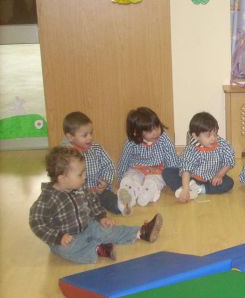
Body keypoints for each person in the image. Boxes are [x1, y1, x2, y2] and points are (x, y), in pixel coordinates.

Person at [29, 146, 163, 264]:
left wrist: (101, 217)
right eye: (80, 174)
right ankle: (98, 249)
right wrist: (58, 237)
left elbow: (92, 202)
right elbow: (37, 222)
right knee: (68, 249)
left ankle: (141, 232)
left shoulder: (80, 188)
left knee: (107, 230)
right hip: (66, 237)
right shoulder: (47, 199)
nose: (85, 176)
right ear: (62, 178)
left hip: (88, 226)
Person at [116, 107, 179, 215]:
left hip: (157, 170)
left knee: (153, 182)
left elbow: (171, 159)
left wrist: (171, 177)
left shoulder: (164, 139)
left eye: (156, 127)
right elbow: (124, 160)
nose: (155, 132)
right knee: (130, 178)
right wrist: (120, 177)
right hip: (137, 168)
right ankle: (127, 196)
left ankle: (146, 193)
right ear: (137, 133)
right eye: (149, 130)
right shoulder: (131, 143)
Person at [163, 112, 235, 202]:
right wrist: (185, 189)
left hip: (212, 178)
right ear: (195, 136)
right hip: (191, 177)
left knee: (229, 183)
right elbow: (186, 169)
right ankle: (187, 188)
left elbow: (229, 160)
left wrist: (220, 175)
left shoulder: (222, 144)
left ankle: (200, 189)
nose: (213, 138)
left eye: (215, 134)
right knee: (167, 172)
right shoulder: (192, 149)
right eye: (208, 135)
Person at [61, 111, 119, 214]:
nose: (90, 137)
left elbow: (109, 165)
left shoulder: (96, 148)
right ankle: (90, 212)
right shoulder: (65, 155)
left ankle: (115, 205)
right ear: (70, 137)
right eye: (85, 135)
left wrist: (105, 181)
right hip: (77, 195)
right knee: (76, 210)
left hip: (99, 192)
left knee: (116, 205)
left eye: (91, 133)